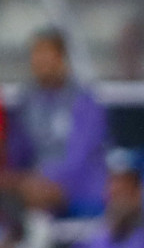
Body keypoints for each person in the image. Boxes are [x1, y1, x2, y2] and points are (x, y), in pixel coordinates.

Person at [1, 29, 108, 218]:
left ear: (61, 58)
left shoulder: (83, 101)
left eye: (46, 54)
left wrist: (46, 179)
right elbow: (18, 152)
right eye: (36, 54)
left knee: (37, 196)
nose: (41, 61)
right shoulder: (27, 101)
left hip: (77, 187)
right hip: (34, 186)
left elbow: (81, 157)